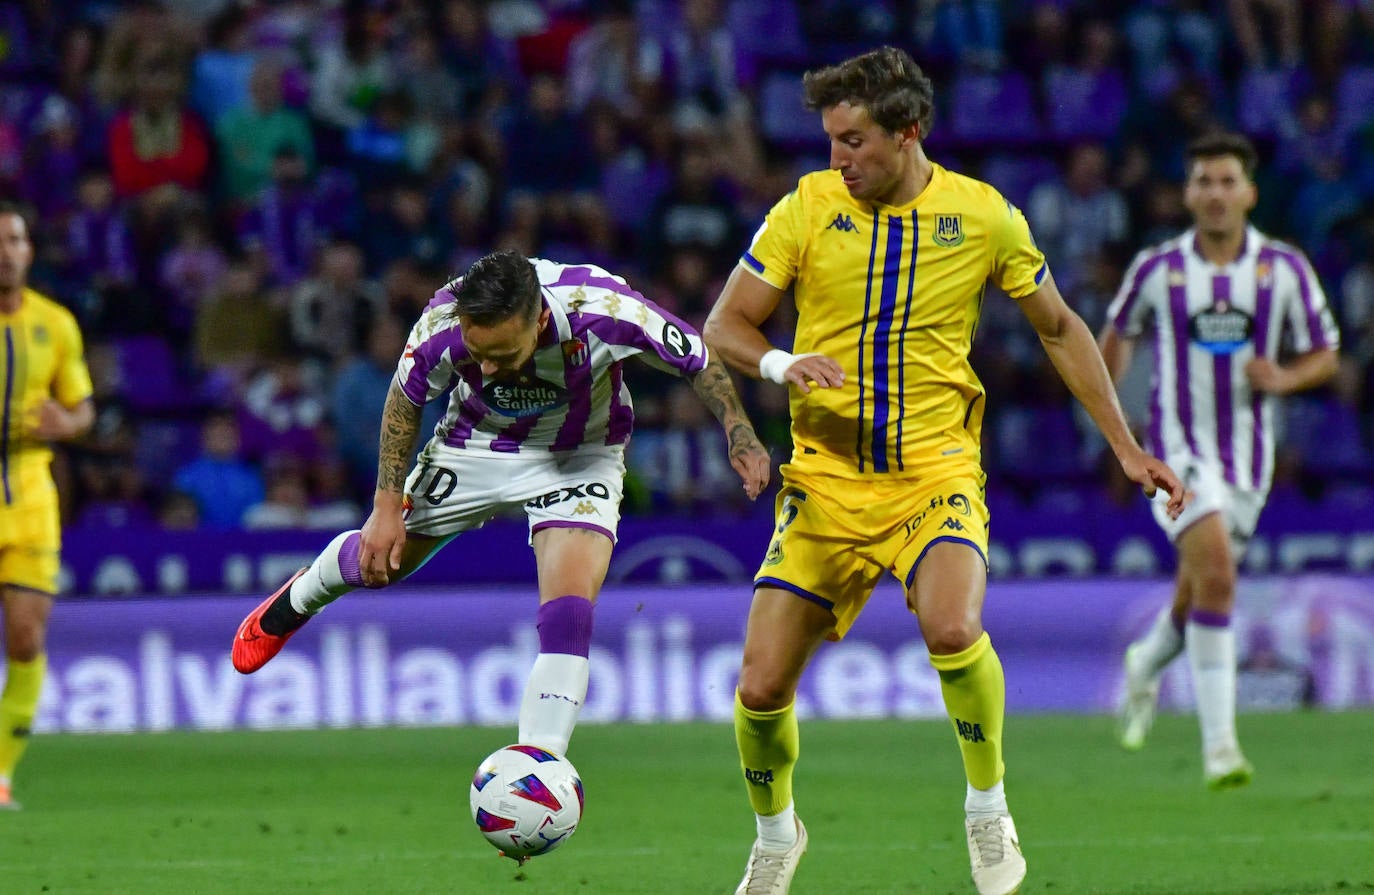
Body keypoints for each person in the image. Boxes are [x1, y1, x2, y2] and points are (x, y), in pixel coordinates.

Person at [701, 47, 1187, 895]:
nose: (837, 160)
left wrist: (1124, 443)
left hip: (935, 471)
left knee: (955, 628)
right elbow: (724, 326)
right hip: (824, 482)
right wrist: (782, 366)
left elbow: (1061, 327)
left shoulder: (984, 215)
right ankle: (778, 834)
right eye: (829, 141)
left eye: (853, 141)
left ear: (908, 131)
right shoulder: (804, 210)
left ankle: (987, 807)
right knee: (760, 683)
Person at [231, 250, 770, 765]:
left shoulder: (605, 311)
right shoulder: (442, 323)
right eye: (477, 352)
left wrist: (739, 432)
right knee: (381, 565)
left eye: (502, 355)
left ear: (537, 325)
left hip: (579, 454)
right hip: (476, 445)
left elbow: (697, 357)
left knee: (569, 601)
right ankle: (297, 600)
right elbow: (405, 399)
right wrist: (386, 503)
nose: (487, 368)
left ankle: (539, 767)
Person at [1102, 132, 1339, 788]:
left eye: (1226, 181)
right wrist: (1115, 432)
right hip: (1177, 454)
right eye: (1203, 180)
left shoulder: (1284, 268)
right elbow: (1112, 341)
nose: (1214, 193)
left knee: (1203, 580)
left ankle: (1146, 657)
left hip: (1249, 465)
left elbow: (1326, 350)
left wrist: (1285, 379)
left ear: (1249, 192)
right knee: (1219, 573)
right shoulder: (1158, 269)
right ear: (1187, 193)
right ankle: (1221, 749)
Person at [0, 202, 96, 809]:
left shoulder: (55, 323)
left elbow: (83, 409)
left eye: (13, 240)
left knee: (27, 638)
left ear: (29, 250)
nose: (5, 251)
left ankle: (1, 773)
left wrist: (66, 421)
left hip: (30, 485)